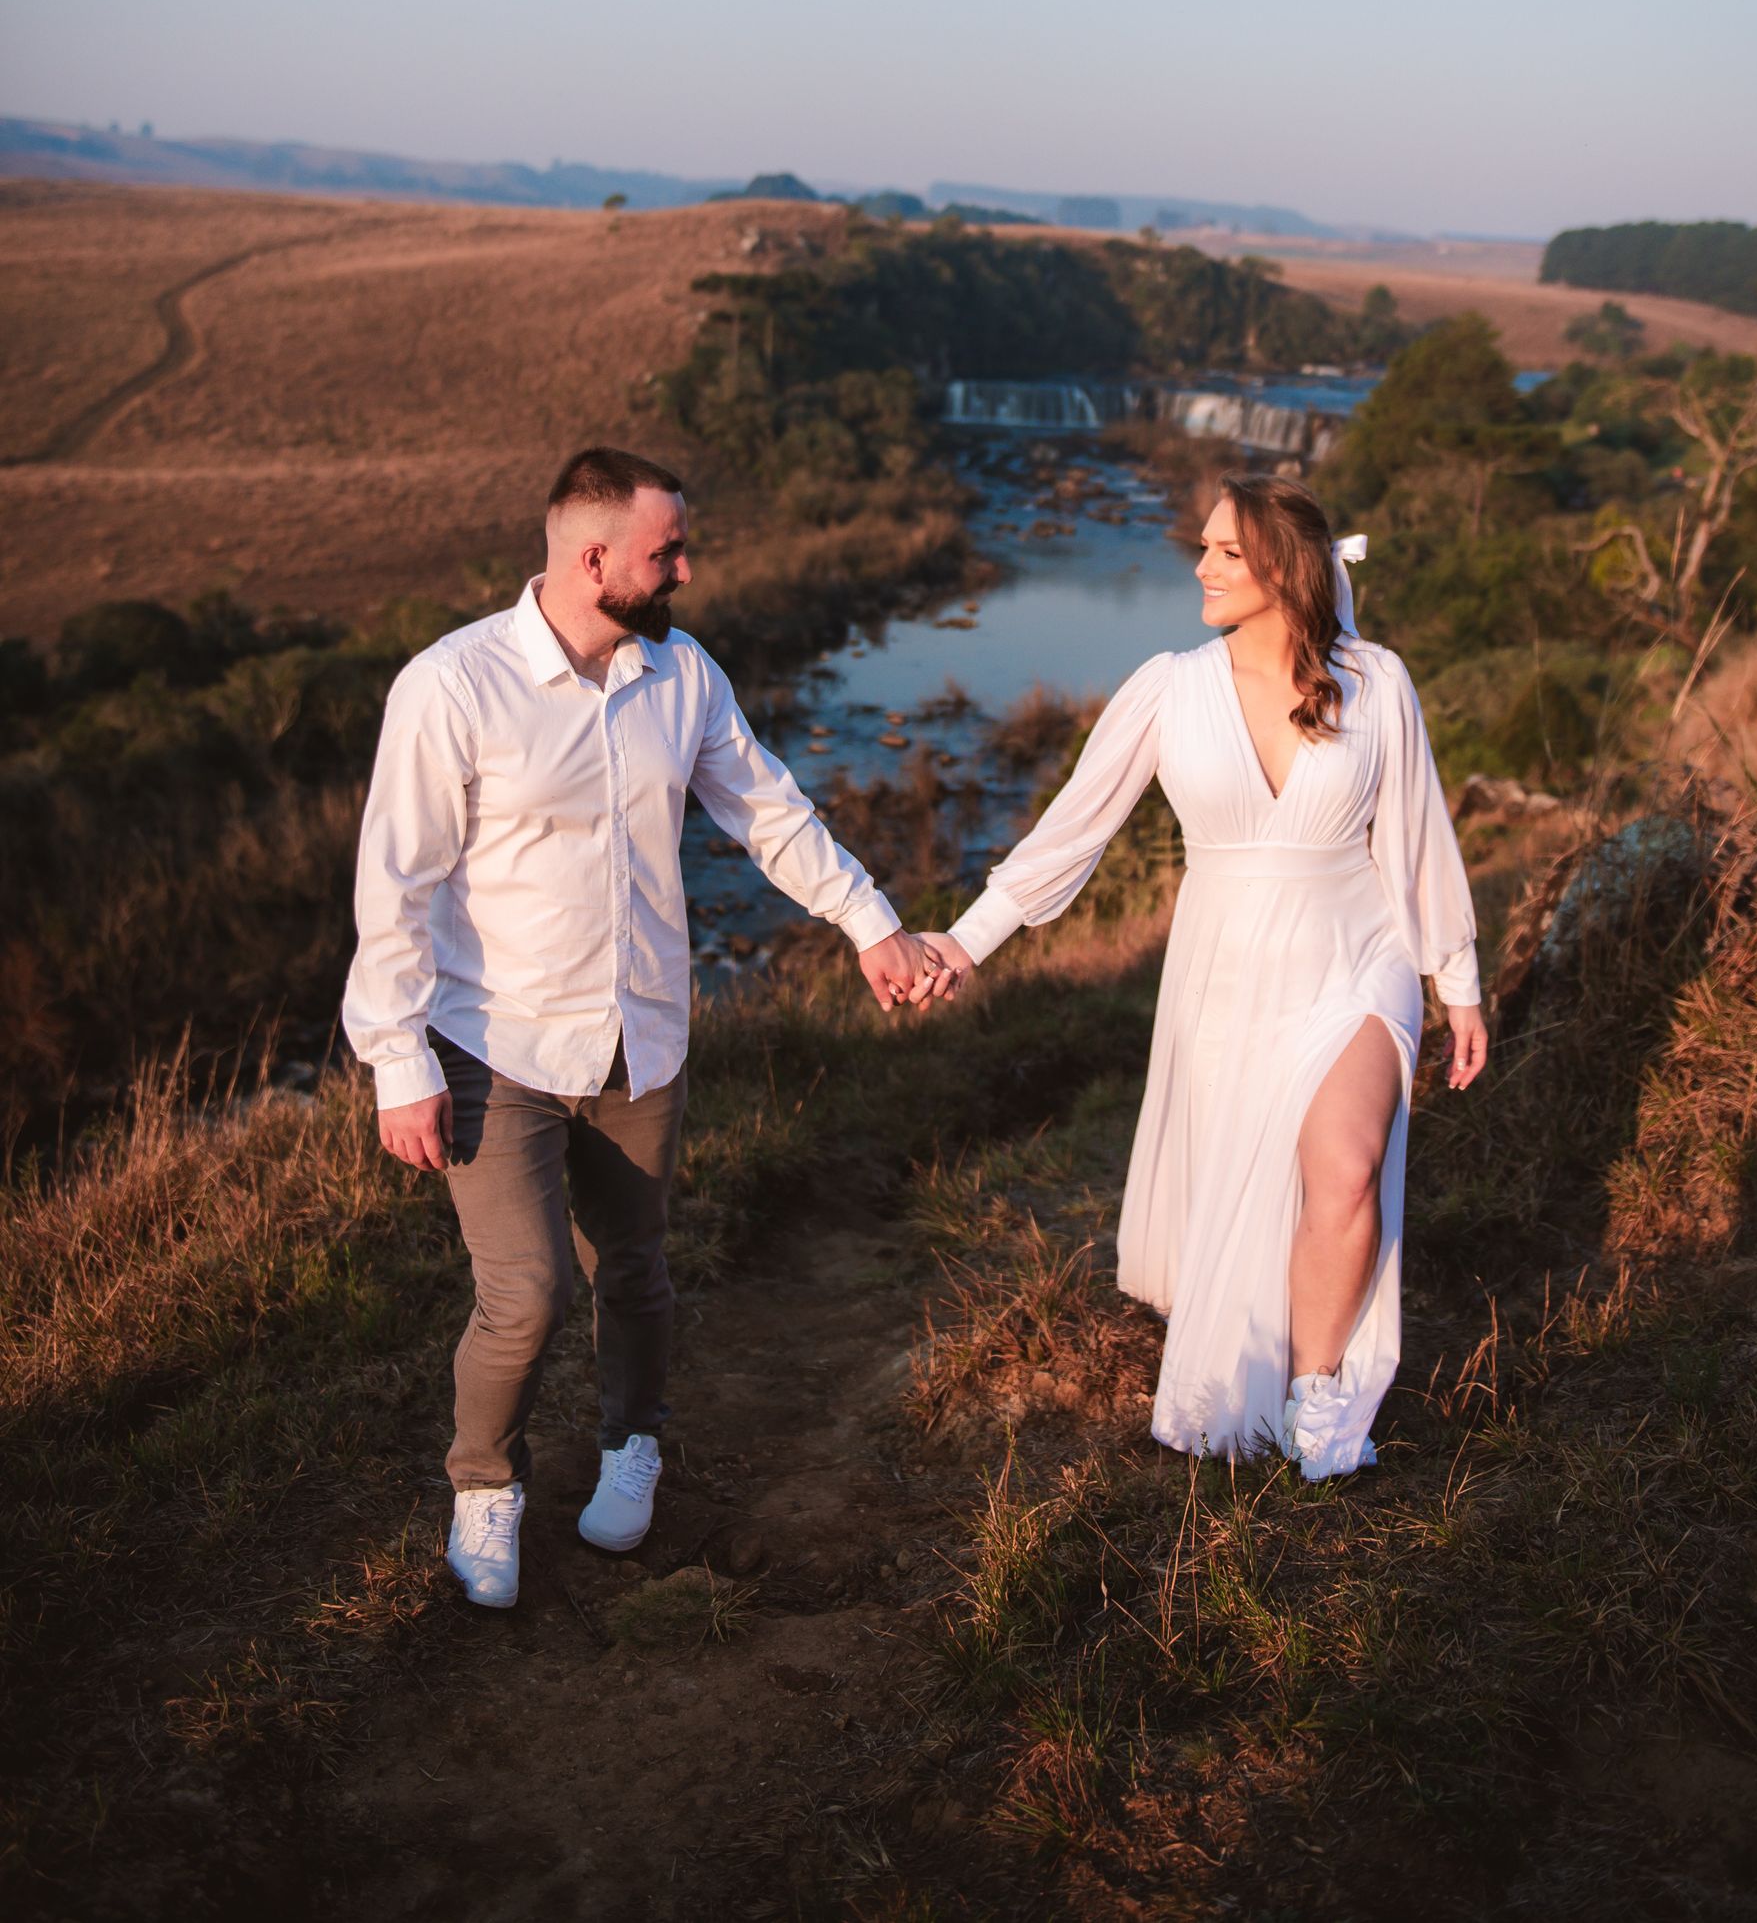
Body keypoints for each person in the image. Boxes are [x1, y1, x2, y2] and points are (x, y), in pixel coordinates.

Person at [343, 444, 925, 1608]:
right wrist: (395, 1058)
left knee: (639, 1270)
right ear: (591, 554)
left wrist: (872, 923)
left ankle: (632, 1443)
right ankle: (483, 1488)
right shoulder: (452, 687)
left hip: (640, 1037)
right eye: (669, 551)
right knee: (528, 1292)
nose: (688, 572)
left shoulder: (682, 675)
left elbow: (768, 811)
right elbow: (394, 885)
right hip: (490, 1046)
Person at [912, 471, 1488, 1475]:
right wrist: (963, 942)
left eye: (1227, 551)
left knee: (1345, 1171)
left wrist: (1458, 979)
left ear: (1285, 567)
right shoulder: (1169, 689)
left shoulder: (1378, 682)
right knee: (1255, 1188)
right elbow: (1069, 836)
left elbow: (1417, 838)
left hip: (1360, 958)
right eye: (1207, 547)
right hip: (1226, 979)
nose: (1201, 566)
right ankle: (1260, 1376)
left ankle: (1319, 1403)